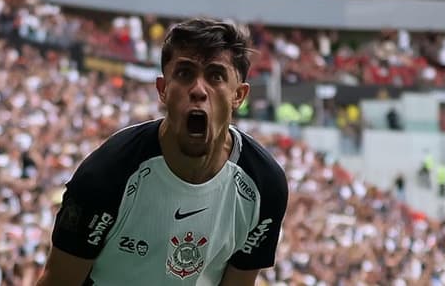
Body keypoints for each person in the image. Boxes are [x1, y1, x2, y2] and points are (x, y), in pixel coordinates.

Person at [36, 18, 288, 285]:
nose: (199, 90)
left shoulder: (264, 186)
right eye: (184, 73)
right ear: (163, 89)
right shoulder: (107, 175)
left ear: (239, 95)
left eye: (216, 76)